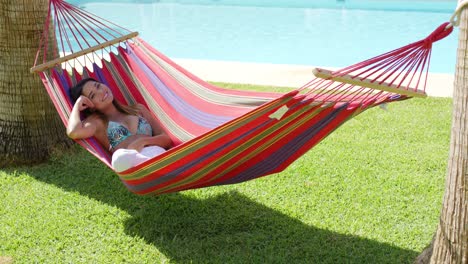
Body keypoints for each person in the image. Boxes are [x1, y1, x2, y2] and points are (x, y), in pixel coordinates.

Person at [67, 77, 172, 172]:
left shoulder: (138, 109)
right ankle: (149, 168)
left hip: (156, 154)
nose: (100, 92)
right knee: (118, 157)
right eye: (93, 95)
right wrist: (77, 105)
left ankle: (153, 166)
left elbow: (166, 139)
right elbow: (73, 132)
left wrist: (144, 141)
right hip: (132, 167)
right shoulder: (97, 123)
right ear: (90, 106)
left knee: (120, 158)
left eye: (98, 86)